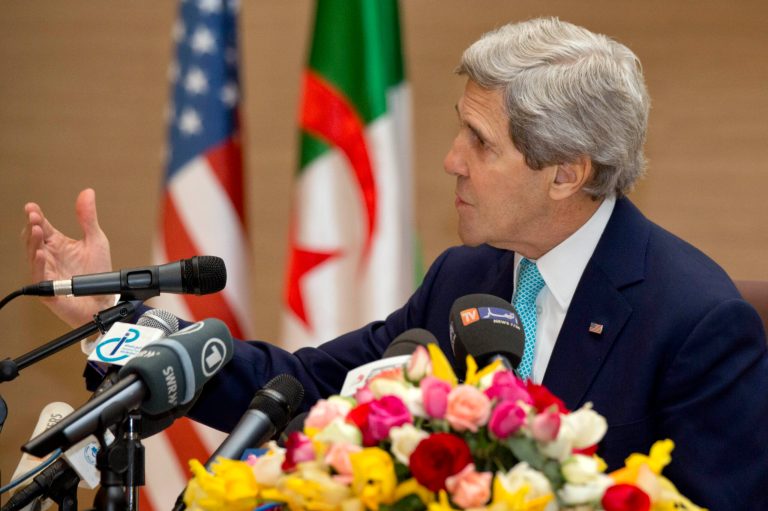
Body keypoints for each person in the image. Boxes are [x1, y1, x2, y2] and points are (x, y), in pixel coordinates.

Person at [23, 18, 768, 509]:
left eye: (481, 142)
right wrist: (115, 323)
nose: (452, 162)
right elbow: (300, 388)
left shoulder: (696, 322)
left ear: (566, 172)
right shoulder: (466, 277)